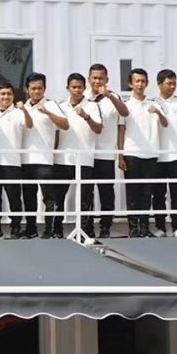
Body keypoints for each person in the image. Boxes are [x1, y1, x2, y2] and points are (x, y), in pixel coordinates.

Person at [117, 67, 167, 238]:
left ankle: (144, 229)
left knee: (147, 193)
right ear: (130, 84)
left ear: (147, 83)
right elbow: (121, 130)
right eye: (137, 81)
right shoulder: (125, 105)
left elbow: (165, 124)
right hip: (131, 153)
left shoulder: (155, 103)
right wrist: (120, 154)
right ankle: (133, 229)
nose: (140, 84)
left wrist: (158, 112)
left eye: (143, 81)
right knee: (132, 193)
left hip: (150, 153)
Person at [20, 72, 68, 239]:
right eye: (33, 88)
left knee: (49, 198)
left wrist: (47, 112)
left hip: (44, 160)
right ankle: (30, 229)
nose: (36, 91)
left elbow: (65, 125)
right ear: (27, 89)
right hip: (25, 160)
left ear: (44, 89)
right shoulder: (22, 107)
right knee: (28, 197)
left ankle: (50, 230)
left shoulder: (51, 105)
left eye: (39, 88)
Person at [55, 73, 102, 239]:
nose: (76, 90)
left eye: (79, 87)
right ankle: (56, 231)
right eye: (73, 87)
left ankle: (85, 232)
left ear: (84, 88)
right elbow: (55, 132)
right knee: (58, 197)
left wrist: (86, 116)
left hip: (84, 159)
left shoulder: (92, 106)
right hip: (62, 158)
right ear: (68, 88)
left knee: (85, 198)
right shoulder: (60, 106)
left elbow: (98, 129)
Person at [87, 64, 129, 239]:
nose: (97, 81)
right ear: (89, 79)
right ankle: (87, 227)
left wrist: (120, 154)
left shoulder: (113, 97)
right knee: (86, 192)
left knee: (106, 192)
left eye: (101, 78)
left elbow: (124, 115)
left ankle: (106, 227)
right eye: (94, 78)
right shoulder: (83, 97)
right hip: (87, 154)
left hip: (105, 153)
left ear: (107, 79)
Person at [0, 82, 31, 240]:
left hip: (12, 163)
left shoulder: (19, 113)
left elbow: (29, 125)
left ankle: (15, 227)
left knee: (14, 198)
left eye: (9, 94)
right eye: (3, 94)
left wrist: (24, 109)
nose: (6, 97)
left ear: (13, 96)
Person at [152, 69, 177, 238]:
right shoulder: (152, 103)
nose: (172, 87)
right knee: (158, 194)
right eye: (168, 83)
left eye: (174, 83)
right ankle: (160, 227)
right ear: (159, 84)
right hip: (158, 155)